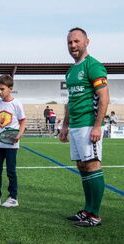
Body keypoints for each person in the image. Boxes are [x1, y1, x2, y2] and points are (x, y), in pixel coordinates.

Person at [59, 27, 109, 227]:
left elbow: (104, 98)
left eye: (77, 41)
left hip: (90, 125)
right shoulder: (70, 71)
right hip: (76, 127)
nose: (73, 45)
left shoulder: (93, 66)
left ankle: (94, 215)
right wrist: (64, 126)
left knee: (92, 166)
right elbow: (71, 101)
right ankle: (87, 210)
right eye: (70, 42)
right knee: (82, 166)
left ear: (87, 41)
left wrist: (97, 126)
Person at [0, 74, 26, 208]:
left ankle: (13, 198)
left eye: (2, 89)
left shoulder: (16, 104)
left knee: (11, 171)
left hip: (11, 144)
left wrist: (19, 134)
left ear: (10, 88)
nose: (0, 92)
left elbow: (23, 121)